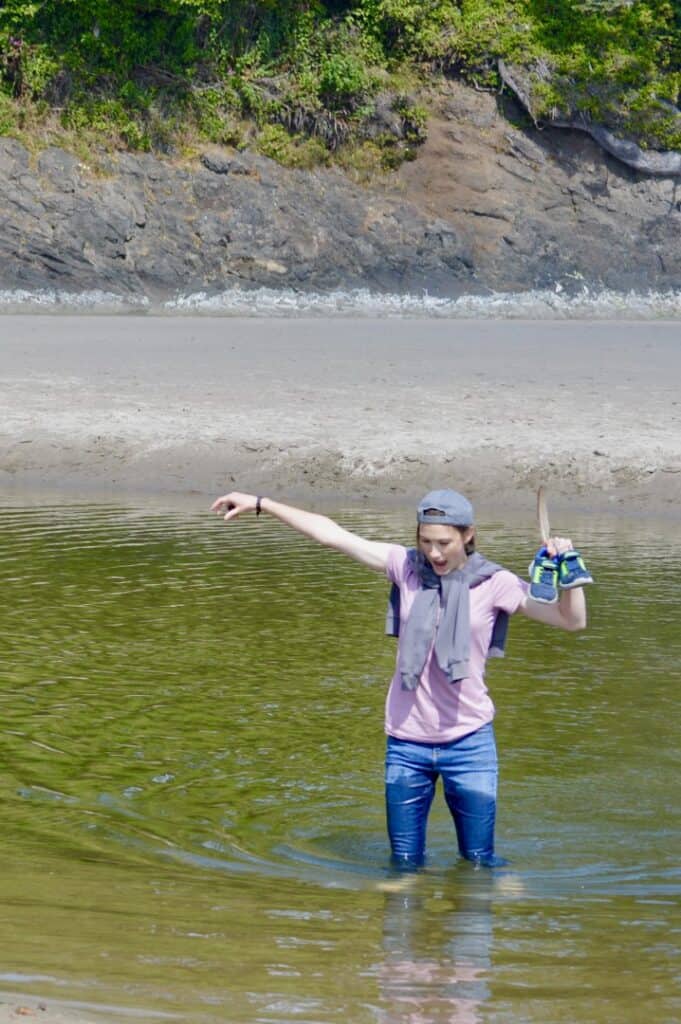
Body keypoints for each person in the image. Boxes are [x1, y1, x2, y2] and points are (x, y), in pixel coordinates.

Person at [211, 488, 588, 870]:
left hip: (470, 745)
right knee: (404, 866)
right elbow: (333, 536)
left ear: (468, 535)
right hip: (407, 743)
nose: (434, 553)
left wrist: (569, 573)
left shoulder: (495, 583)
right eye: (426, 542)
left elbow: (572, 621)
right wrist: (263, 504)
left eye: (444, 543)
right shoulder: (405, 567)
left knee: (478, 861)